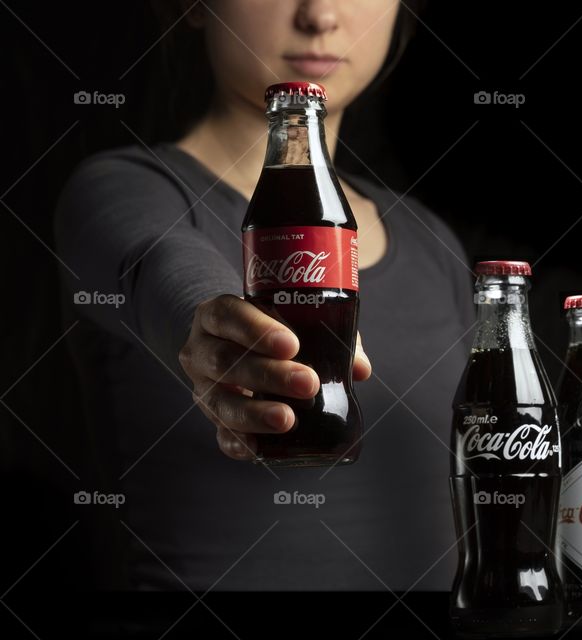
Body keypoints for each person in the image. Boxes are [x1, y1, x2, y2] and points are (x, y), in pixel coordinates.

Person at [54, 0, 474, 590]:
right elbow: (159, 265)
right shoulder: (119, 190)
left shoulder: (434, 242)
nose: (321, 15)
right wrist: (226, 327)